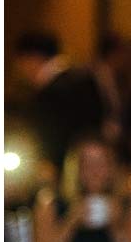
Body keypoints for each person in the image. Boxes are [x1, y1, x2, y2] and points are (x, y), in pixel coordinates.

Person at [12, 30, 104, 170]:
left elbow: (53, 138)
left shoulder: (55, 90)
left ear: (33, 58)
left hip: (65, 169)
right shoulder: (81, 78)